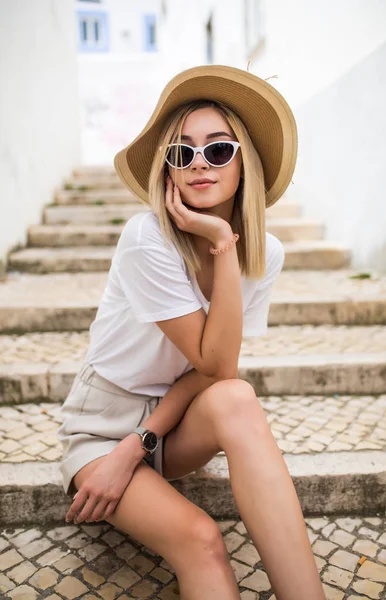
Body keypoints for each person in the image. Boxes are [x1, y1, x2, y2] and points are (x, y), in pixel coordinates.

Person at [57, 65, 325, 599]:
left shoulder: (261, 252)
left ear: (244, 163)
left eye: (218, 150)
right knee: (203, 539)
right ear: (168, 173)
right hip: (102, 428)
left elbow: (216, 374)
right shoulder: (146, 239)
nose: (198, 162)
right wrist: (124, 448)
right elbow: (211, 362)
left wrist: (225, 243)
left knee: (237, 398)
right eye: (181, 153)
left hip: (174, 424)